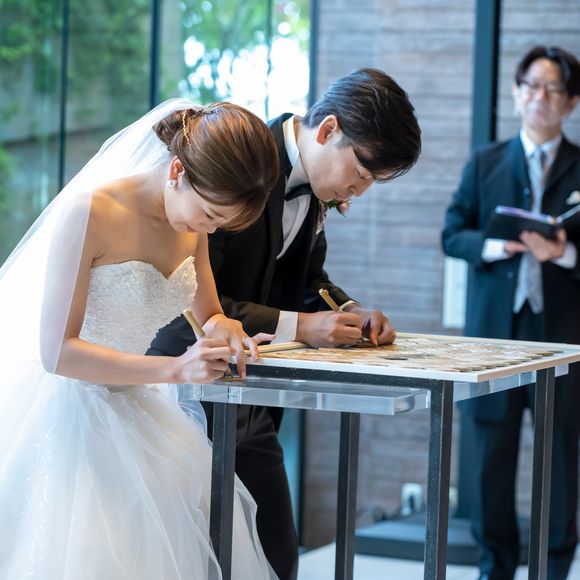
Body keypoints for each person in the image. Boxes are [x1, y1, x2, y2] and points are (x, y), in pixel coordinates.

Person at [149, 68, 422, 579]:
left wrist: (349, 310)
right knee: (188, 554)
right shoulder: (243, 156)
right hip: (183, 380)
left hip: (249, 392)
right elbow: (193, 295)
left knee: (274, 553)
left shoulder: (315, 183)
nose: (359, 191)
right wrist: (304, 327)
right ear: (329, 130)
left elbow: (306, 276)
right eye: (362, 174)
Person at [0, 99, 281, 579]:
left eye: (220, 223)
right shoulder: (91, 212)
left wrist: (225, 327)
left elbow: (209, 312)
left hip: (139, 408)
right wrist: (177, 369)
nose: (209, 228)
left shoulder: (190, 223)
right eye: (209, 214)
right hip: (69, 413)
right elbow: (58, 352)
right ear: (177, 171)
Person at [442, 46, 580, 580]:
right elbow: (452, 234)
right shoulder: (485, 162)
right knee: (489, 460)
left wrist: (562, 253)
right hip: (495, 334)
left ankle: (554, 568)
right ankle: (494, 566)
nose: (540, 97)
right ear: (516, 93)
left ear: (570, 102)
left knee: (560, 456)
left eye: (552, 88)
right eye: (531, 86)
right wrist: (498, 246)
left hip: (562, 333)